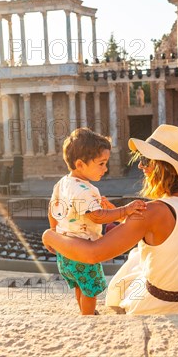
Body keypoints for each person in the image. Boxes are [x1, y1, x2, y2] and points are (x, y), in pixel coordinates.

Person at [44, 124, 178, 315]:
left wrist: (50, 236)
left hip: (161, 306)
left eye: (145, 160)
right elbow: (176, 236)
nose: (140, 166)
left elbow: (93, 254)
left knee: (133, 261)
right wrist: (125, 220)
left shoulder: (151, 212)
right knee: (138, 257)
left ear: (162, 166)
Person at [48, 128, 147, 315]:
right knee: (90, 290)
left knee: (80, 284)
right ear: (80, 164)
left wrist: (54, 233)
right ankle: (88, 317)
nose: (105, 168)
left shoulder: (62, 183)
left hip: (66, 250)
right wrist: (124, 210)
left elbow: (52, 209)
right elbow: (97, 216)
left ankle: (84, 311)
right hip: (82, 250)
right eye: (101, 163)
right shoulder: (84, 190)